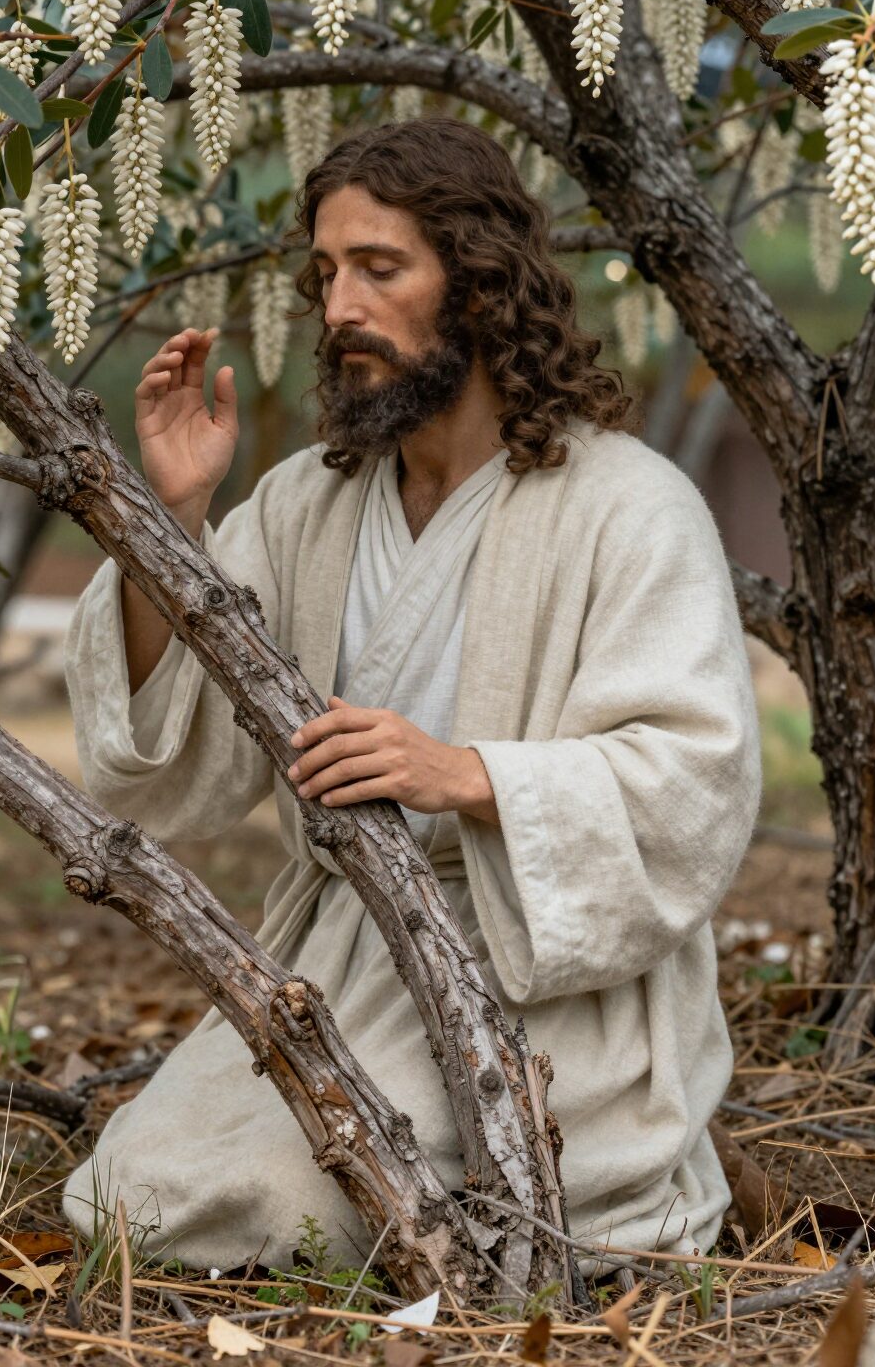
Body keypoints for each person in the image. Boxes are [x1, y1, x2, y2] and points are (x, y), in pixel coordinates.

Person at [60, 118, 763, 1278]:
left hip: (543, 978)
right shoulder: (307, 502)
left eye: (380, 269)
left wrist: (471, 776)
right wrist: (170, 522)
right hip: (339, 962)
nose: (340, 307)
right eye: (327, 272)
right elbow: (176, 750)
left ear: (480, 283)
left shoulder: (631, 506)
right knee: (129, 1198)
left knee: (280, 1208)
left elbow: (696, 780)